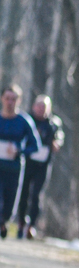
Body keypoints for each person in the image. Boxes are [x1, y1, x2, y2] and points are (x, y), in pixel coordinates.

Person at [16, 95, 63, 239]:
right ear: (34, 106)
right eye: (39, 106)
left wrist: (57, 143)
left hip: (43, 164)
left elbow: (60, 136)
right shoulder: (27, 120)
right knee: (23, 193)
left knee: (37, 194)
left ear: (49, 109)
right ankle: (21, 224)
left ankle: (32, 226)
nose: (41, 109)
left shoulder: (54, 123)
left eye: (44, 106)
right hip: (27, 161)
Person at [0, 84, 40, 239]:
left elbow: (35, 145)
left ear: (19, 101)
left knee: (9, 203)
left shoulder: (24, 121)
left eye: (13, 99)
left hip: (14, 168)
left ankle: (4, 222)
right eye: (7, 98)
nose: (10, 102)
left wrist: (19, 151)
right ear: (2, 99)